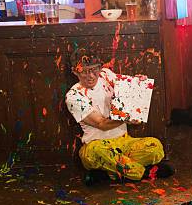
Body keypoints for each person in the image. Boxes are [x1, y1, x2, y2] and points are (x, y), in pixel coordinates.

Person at [65, 49, 173, 181]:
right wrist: (127, 119)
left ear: (100, 67)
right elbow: (101, 124)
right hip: (97, 145)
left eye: (94, 69)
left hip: (124, 142)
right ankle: (144, 173)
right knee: (95, 153)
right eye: (85, 71)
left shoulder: (106, 75)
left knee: (155, 147)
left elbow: (126, 93)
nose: (91, 75)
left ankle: (109, 173)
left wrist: (137, 84)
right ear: (75, 71)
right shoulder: (73, 96)